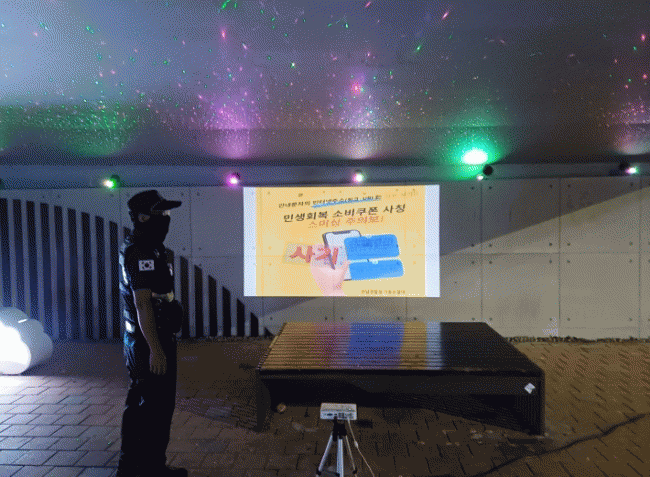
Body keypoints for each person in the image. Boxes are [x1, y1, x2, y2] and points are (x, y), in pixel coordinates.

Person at [116, 190, 187, 477]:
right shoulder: (140, 251)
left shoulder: (152, 247)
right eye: (161, 213)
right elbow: (142, 304)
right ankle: (135, 468)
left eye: (167, 213)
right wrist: (156, 350)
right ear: (143, 217)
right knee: (147, 407)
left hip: (156, 338)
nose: (166, 218)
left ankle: (151, 466)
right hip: (148, 343)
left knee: (158, 407)